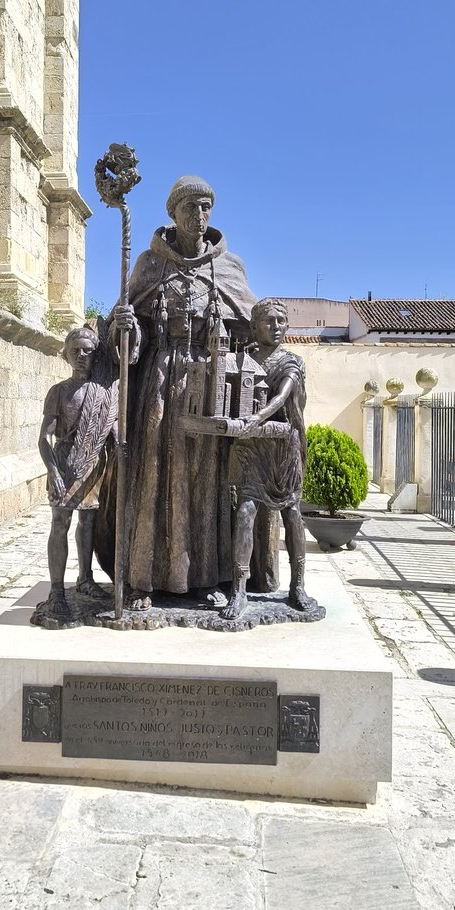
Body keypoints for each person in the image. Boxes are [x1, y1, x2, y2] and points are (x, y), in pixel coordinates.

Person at [98, 175, 260, 610]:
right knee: (154, 472)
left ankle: (204, 575)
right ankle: (144, 579)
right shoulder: (150, 265)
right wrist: (124, 328)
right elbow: (123, 333)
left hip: (206, 384)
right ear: (173, 212)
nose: (200, 215)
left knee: (205, 478)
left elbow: (253, 327)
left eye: (206, 207)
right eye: (190, 207)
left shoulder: (228, 268)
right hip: (159, 383)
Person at [222, 298, 318, 620]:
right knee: (246, 512)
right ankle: (239, 590)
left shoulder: (293, 362)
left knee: (292, 515)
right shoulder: (242, 359)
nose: (275, 327)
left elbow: (283, 396)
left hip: (283, 447)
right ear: (254, 326)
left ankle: (298, 586)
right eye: (268, 321)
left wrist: (256, 418)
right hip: (253, 447)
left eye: (280, 321)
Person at [34, 326, 116, 624]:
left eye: (88, 351)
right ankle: (57, 590)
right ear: (66, 354)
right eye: (76, 351)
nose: (82, 356)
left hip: (93, 464)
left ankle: (85, 578)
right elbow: (44, 438)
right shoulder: (59, 392)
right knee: (60, 523)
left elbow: (111, 430)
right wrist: (52, 470)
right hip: (64, 464)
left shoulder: (103, 393)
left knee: (89, 521)